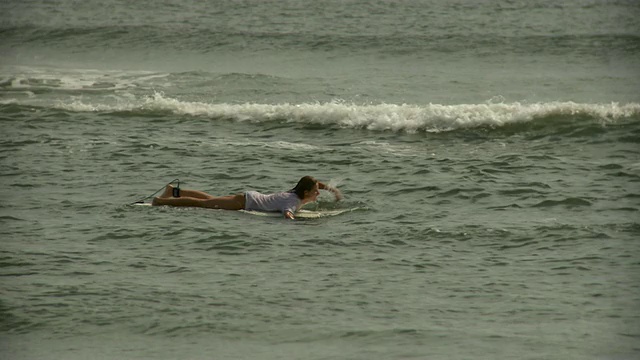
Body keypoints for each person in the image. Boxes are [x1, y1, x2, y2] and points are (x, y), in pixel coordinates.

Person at [152, 176, 343, 219]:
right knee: (205, 204)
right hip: (244, 202)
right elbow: (287, 214)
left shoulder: (297, 194)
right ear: (306, 193)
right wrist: (294, 222)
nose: (318, 193)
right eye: (315, 191)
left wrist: (332, 190)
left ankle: (172, 191)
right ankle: (161, 201)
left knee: (210, 198)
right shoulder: (292, 201)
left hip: (249, 197)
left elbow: (314, 183)